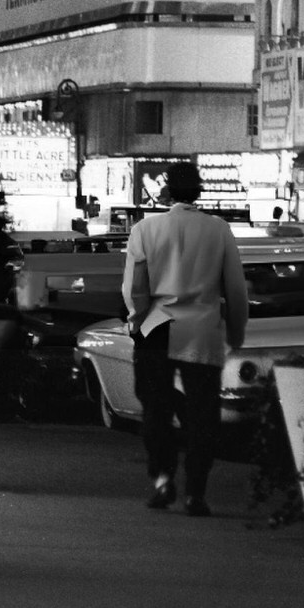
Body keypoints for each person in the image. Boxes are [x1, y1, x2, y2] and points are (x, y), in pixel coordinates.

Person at [123, 159, 249, 517]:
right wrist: (237, 329)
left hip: (156, 324)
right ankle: (196, 492)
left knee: (155, 409)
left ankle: (163, 478)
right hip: (202, 328)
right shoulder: (218, 229)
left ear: (167, 193)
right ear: (198, 191)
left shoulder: (146, 230)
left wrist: (137, 324)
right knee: (202, 414)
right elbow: (235, 288)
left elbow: (134, 288)